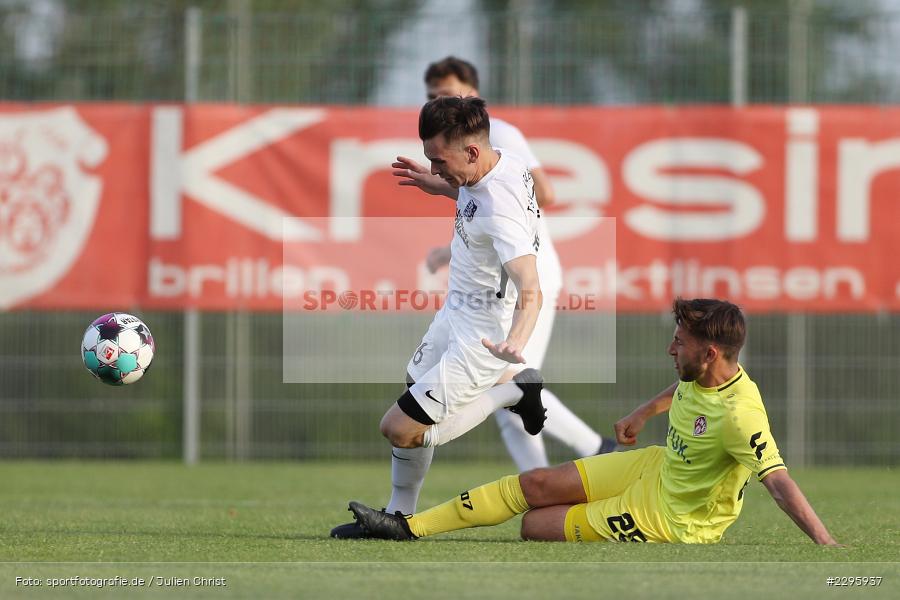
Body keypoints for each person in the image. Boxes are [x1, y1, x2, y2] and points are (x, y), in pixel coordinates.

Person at [345, 298, 840, 547]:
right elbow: (685, 390)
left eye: (680, 343)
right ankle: (406, 526)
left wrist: (827, 544)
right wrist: (642, 412)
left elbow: (778, 483)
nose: (671, 348)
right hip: (654, 468)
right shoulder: (705, 375)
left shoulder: (741, 414)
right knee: (536, 482)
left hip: (670, 519)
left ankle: (410, 520)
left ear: (709, 353)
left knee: (534, 526)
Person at [331, 95, 546, 538]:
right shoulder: (500, 162)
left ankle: (514, 392)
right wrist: (443, 186)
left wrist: (515, 345)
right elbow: (474, 194)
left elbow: (531, 287)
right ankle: (398, 516)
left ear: (469, 151)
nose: (434, 167)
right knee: (414, 391)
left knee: (399, 428)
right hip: (457, 311)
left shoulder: (499, 210)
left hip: (483, 337)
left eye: (439, 160)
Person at [395, 56, 614, 475]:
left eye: (448, 94)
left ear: (472, 94)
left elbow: (525, 198)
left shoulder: (502, 137)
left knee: (508, 381)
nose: (439, 103)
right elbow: (481, 194)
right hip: (490, 280)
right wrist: (444, 195)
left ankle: (555, 475)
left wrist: (493, 227)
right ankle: (586, 453)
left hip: (516, 281)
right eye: (432, 97)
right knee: (502, 382)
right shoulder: (490, 162)